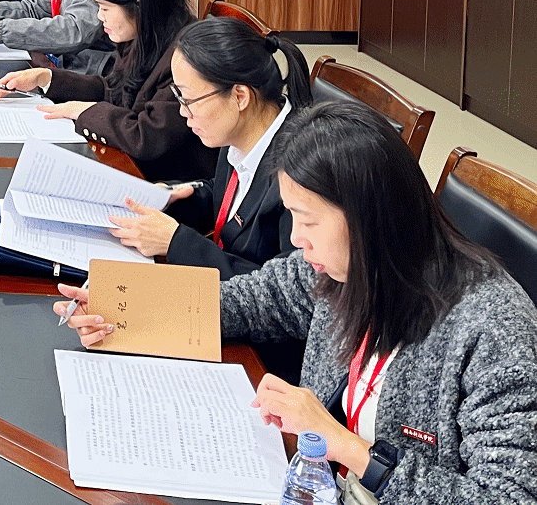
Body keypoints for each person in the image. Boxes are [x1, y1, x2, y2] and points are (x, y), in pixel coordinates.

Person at [58, 102, 537, 505]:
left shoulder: (492, 328)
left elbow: (509, 497)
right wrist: (121, 307)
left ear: (367, 216)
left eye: (307, 221)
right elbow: (250, 300)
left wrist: (349, 448)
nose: (295, 239)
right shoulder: (345, 266)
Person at [0, 0, 213, 181]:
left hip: (166, 182)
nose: (99, 16)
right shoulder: (143, 33)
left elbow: (147, 136)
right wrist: (46, 78)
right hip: (131, 167)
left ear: (139, 4)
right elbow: (113, 88)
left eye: (105, 8)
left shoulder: (185, 56)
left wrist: (83, 111)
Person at [107, 16, 313, 279]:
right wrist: (174, 197)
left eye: (189, 99)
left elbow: (286, 289)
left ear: (240, 96)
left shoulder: (301, 174)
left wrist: (176, 243)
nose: (183, 112)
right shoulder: (241, 130)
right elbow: (231, 196)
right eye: (179, 96)